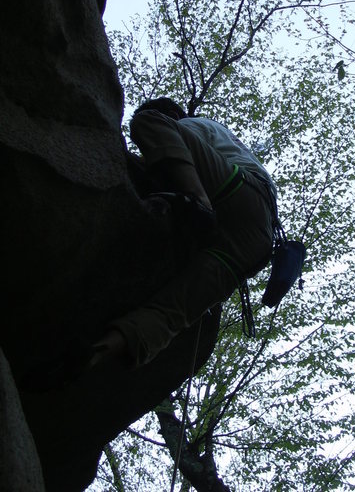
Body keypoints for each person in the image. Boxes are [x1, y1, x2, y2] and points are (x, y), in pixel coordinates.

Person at [90, 97, 277, 368]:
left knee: (147, 122)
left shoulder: (192, 125)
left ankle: (198, 200)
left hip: (240, 193)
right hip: (255, 243)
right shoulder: (225, 140)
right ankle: (101, 349)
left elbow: (165, 155)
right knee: (171, 314)